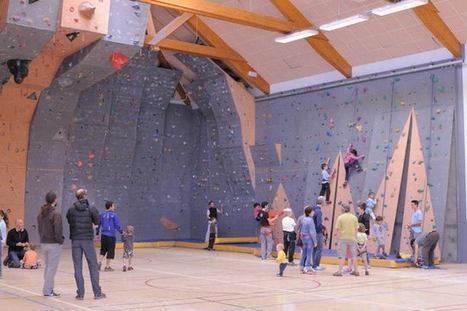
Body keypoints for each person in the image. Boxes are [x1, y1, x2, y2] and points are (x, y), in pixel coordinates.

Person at [66, 188, 105, 300]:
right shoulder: (91, 208)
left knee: (77, 267)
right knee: (93, 266)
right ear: (85, 196)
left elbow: (69, 220)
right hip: (87, 240)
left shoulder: (71, 209)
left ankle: (80, 294)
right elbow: (97, 222)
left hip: (75, 240)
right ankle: (97, 293)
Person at [37, 191, 64, 297]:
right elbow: (58, 230)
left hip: (44, 243)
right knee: (51, 268)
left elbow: (39, 229)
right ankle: (47, 290)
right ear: (55, 200)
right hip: (54, 244)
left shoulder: (41, 214)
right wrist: (60, 240)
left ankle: (49, 289)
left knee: (48, 267)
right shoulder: (55, 214)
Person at [96, 201, 122, 272]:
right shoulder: (114, 215)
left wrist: (97, 234)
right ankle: (107, 266)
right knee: (110, 251)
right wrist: (121, 232)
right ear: (110, 207)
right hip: (111, 236)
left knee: (103, 249)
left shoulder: (101, 214)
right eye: (113, 206)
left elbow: (98, 225)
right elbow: (117, 225)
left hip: (103, 235)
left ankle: (99, 262)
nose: (114, 207)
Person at [333, 205, 359, 277]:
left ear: (343, 210)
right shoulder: (354, 218)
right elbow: (357, 229)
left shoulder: (340, 217)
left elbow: (337, 229)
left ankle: (339, 271)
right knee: (354, 256)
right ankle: (356, 271)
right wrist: (355, 237)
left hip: (343, 238)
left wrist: (338, 239)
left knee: (342, 255)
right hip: (352, 238)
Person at [298, 206, 317, 274]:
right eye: (312, 211)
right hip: (309, 239)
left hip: (303, 238)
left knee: (304, 253)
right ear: (309, 213)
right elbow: (312, 232)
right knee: (309, 253)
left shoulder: (303, 219)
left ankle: (301, 266)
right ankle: (308, 267)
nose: (313, 212)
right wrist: (315, 242)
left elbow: (300, 229)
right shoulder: (311, 220)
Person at [312, 196, 325, 270]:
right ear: (322, 202)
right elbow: (319, 223)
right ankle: (316, 265)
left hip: (313, 232)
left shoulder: (313, 209)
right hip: (318, 232)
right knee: (319, 249)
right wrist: (322, 229)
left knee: (314, 248)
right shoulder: (319, 211)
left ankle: (312, 264)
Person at [0, 210, 8, 278]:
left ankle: (0, 273)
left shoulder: (2, 224)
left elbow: (4, 235)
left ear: (2, 216)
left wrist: (3, 243)